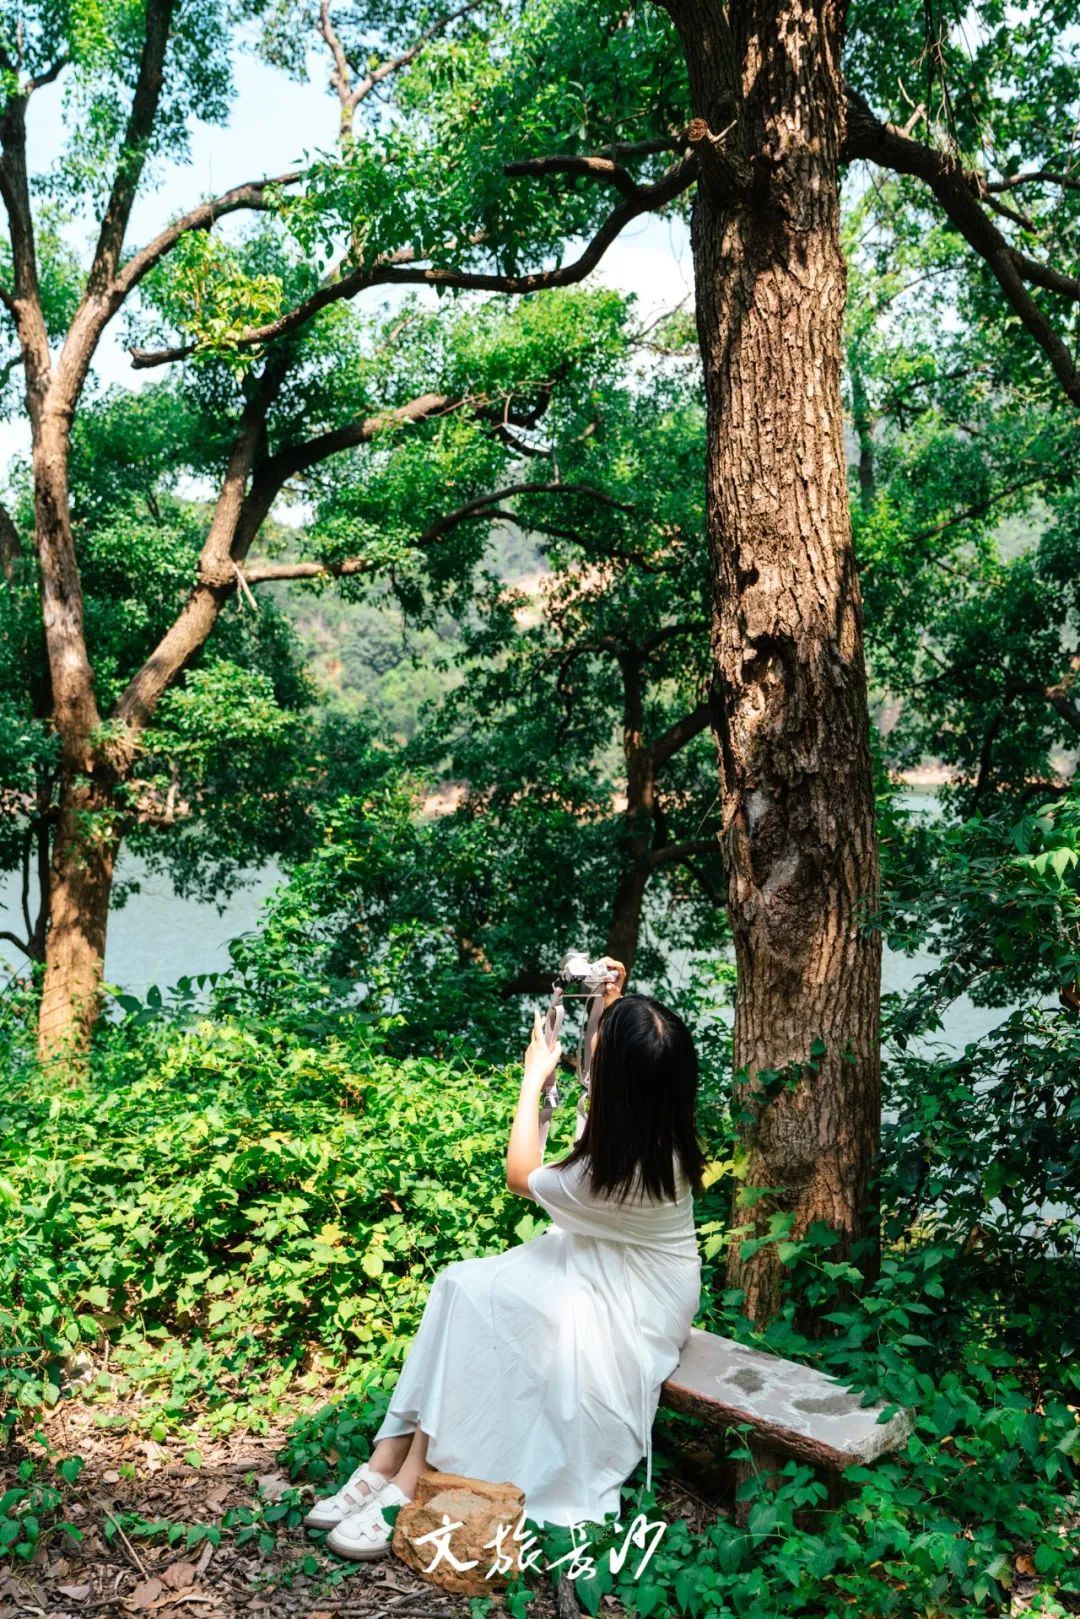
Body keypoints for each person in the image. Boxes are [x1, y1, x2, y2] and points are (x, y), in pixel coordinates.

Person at [303, 957, 706, 1559]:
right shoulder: (650, 1130)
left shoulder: (622, 1172)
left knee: (484, 1304)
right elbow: (621, 1062)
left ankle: (410, 1480)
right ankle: (388, 1460)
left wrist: (532, 1079)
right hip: (604, 1262)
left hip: (633, 1303)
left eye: (600, 1048)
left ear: (622, 1083)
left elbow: (521, 1174)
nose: (590, 1054)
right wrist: (610, 1000)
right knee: (461, 1284)